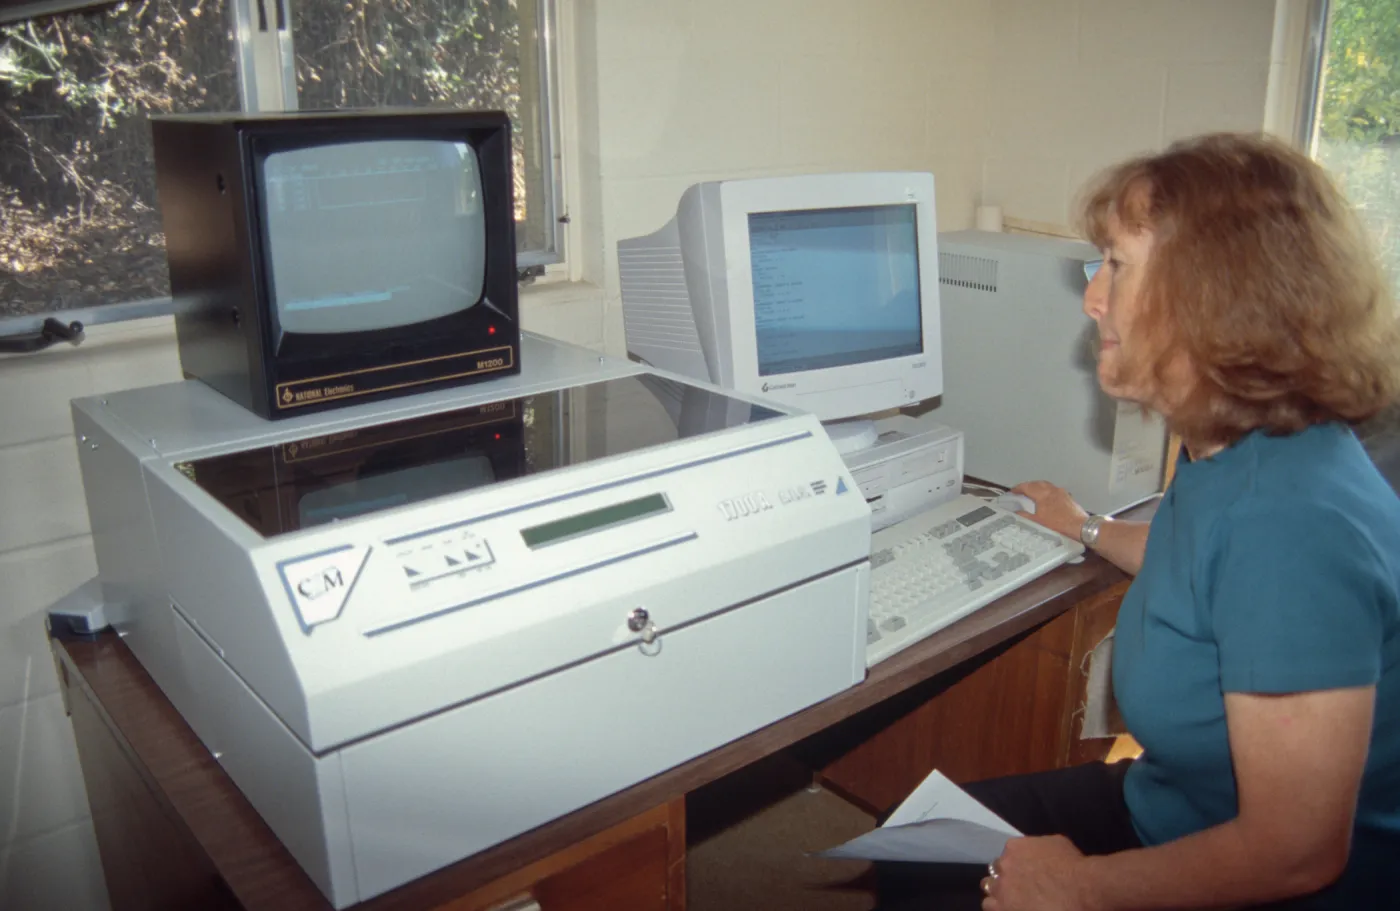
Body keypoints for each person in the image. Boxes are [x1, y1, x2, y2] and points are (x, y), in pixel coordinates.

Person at [877, 132, 1400, 911]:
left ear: (1216, 297)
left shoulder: (1291, 529)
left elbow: (1296, 852)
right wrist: (1084, 527)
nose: (1092, 298)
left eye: (1116, 266)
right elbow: (1200, 564)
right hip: (1175, 802)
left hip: (1272, 879)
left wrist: (1079, 887)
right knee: (911, 848)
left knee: (935, 887)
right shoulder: (1236, 444)